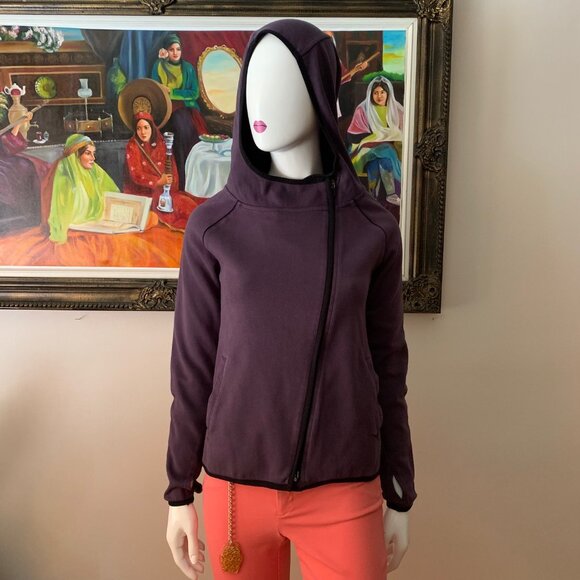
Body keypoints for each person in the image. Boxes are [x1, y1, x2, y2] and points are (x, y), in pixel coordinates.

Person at [164, 19, 415, 580]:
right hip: (234, 490)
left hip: (344, 487)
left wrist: (400, 488)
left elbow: (388, 368)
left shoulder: (371, 228)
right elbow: (193, 369)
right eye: (253, 82)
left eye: (281, 81)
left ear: (320, 92)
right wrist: (179, 489)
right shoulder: (214, 227)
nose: (260, 102)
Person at [123, 111, 206, 232]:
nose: (143, 132)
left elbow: (171, 168)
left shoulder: (161, 142)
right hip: (144, 194)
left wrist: (171, 183)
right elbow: (136, 175)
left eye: (146, 127)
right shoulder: (133, 145)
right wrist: (158, 181)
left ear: (152, 127)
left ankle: (204, 224)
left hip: (165, 191)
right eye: (139, 128)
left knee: (191, 204)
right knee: (182, 208)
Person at [151, 32, 209, 191]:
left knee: (180, 125)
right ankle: (175, 181)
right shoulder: (159, 66)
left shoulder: (187, 68)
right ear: (165, 51)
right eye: (171, 49)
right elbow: (154, 90)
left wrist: (173, 92)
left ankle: (187, 181)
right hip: (164, 109)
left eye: (178, 49)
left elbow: (194, 93)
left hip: (185, 108)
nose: (175, 53)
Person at [47, 134, 118, 244]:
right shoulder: (65, 175)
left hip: (97, 226)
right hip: (74, 232)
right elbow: (61, 215)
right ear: (76, 155)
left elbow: (113, 193)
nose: (93, 158)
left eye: (93, 153)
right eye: (88, 153)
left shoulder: (95, 171)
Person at [347, 75, 404, 207]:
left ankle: (373, 196)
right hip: (363, 150)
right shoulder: (363, 109)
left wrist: (386, 137)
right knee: (386, 150)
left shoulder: (396, 109)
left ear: (388, 93)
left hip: (389, 150)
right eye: (376, 93)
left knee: (382, 159)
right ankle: (391, 194)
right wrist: (379, 137)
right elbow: (353, 137)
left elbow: (404, 133)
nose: (379, 96)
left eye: (382, 92)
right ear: (371, 94)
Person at [0, 112, 43, 234]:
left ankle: (31, 216)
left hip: (5, 160)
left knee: (27, 166)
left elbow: (9, 144)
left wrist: (18, 124)